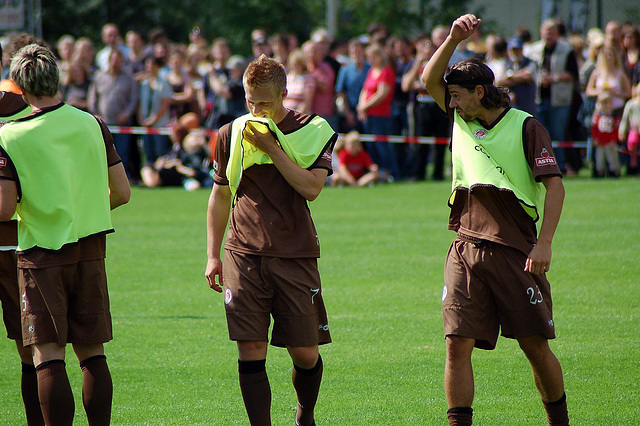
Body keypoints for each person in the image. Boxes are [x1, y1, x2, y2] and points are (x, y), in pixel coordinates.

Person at [421, 14, 569, 426]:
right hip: (465, 247)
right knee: (456, 345)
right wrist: (452, 39)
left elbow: (555, 188)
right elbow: (427, 79)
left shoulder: (526, 127)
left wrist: (545, 243)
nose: (449, 103)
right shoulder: (459, 118)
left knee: (534, 347)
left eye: (456, 96)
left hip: (516, 252)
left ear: (479, 92)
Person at [0, 43, 130, 425]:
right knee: (92, 353)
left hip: (40, 253)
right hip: (90, 248)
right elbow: (121, 193)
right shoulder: (92, 122)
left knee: (48, 355)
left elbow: (5, 209)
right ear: (57, 78)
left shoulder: (10, 136)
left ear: (19, 88)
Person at [204, 54, 336, 426]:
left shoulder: (313, 128)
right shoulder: (231, 131)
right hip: (242, 253)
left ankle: (304, 413)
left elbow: (311, 189)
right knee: (250, 348)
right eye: (249, 100)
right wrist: (212, 255)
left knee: (305, 353)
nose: (255, 109)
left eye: (263, 101)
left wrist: (272, 148)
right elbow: (219, 195)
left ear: (284, 95)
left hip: (295, 253)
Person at [0, 46, 43, 426]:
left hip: (15, 243)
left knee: (29, 348)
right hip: (18, 242)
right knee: (30, 348)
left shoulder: (15, 107)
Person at [529, 19, 580, 173]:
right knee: (542, 134)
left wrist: (554, 78)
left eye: (552, 32)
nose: (549, 35)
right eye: (546, 32)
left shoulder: (567, 49)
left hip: (560, 100)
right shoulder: (532, 50)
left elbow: (573, 74)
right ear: (541, 33)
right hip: (538, 99)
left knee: (558, 134)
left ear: (557, 34)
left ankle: (559, 166)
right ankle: (543, 167)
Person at [88, 49, 139, 177]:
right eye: (114, 60)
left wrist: (126, 114)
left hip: (122, 124)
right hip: (103, 124)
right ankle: (103, 178)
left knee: (121, 152)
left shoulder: (128, 78)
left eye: (119, 61)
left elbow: (133, 99)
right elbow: (92, 98)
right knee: (103, 152)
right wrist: (96, 115)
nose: (116, 63)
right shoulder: (99, 77)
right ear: (109, 61)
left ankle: (122, 178)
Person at [357, 43, 400, 181]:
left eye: (372, 57)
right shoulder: (371, 71)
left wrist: (365, 106)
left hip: (381, 114)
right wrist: (361, 106)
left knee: (382, 145)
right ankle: (376, 173)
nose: (369, 60)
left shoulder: (386, 71)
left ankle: (390, 172)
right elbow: (365, 90)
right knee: (371, 145)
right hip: (368, 114)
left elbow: (382, 93)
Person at [591, 92, 621, 177]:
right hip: (600, 142)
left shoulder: (613, 117)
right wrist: (595, 138)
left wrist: (613, 140)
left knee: (612, 158)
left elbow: (615, 130)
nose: (604, 105)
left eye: (606, 103)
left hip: (610, 142)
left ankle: (614, 172)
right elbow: (594, 129)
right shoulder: (597, 117)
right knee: (599, 158)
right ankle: (600, 172)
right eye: (602, 103)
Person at [619, 82, 640, 174]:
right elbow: (624, 119)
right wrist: (622, 131)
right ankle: (633, 162)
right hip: (634, 130)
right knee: (632, 142)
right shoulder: (631, 104)